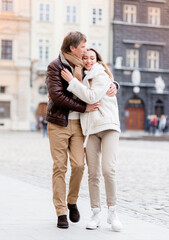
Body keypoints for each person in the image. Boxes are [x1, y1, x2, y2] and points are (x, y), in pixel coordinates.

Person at [61, 48, 122, 231]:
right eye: (85, 58)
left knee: (108, 170)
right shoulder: (82, 76)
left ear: (97, 60)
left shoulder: (101, 75)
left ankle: (113, 212)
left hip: (108, 126)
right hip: (90, 129)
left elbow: (92, 97)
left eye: (92, 58)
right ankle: (96, 212)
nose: (88, 60)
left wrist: (71, 82)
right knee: (93, 173)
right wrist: (74, 80)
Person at [45, 32, 100, 229]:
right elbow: (58, 97)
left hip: (79, 125)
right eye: (83, 46)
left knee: (78, 165)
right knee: (60, 167)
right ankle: (61, 211)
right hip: (58, 123)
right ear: (72, 48)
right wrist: (84, 107)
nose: (86, 50)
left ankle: (72, 200)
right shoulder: (55, 66)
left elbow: (103, 76)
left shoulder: (85, 66)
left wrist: (114, 86)